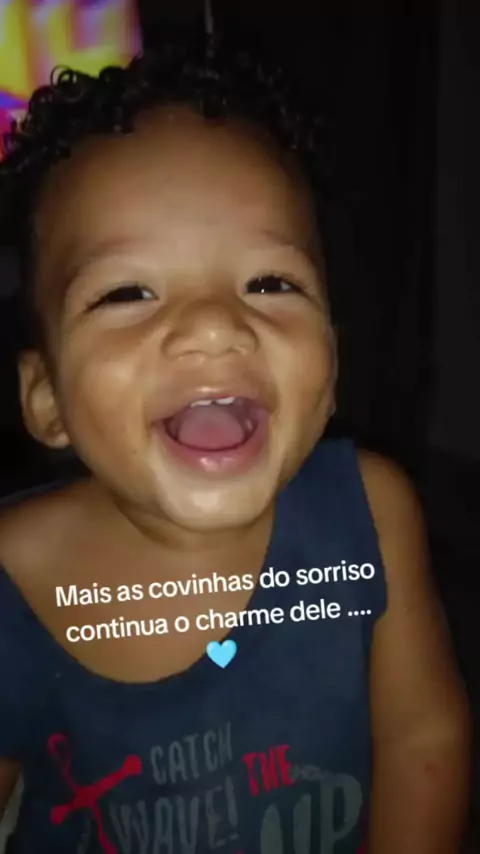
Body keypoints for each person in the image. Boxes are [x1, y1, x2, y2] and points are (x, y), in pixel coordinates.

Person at [0, 29, 471, 854]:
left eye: (270, 282)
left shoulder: (371, 517)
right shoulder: (11, 577)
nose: (216, 325)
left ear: (331, 365)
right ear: (47, 400)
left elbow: (421, 741)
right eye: (127, 293)